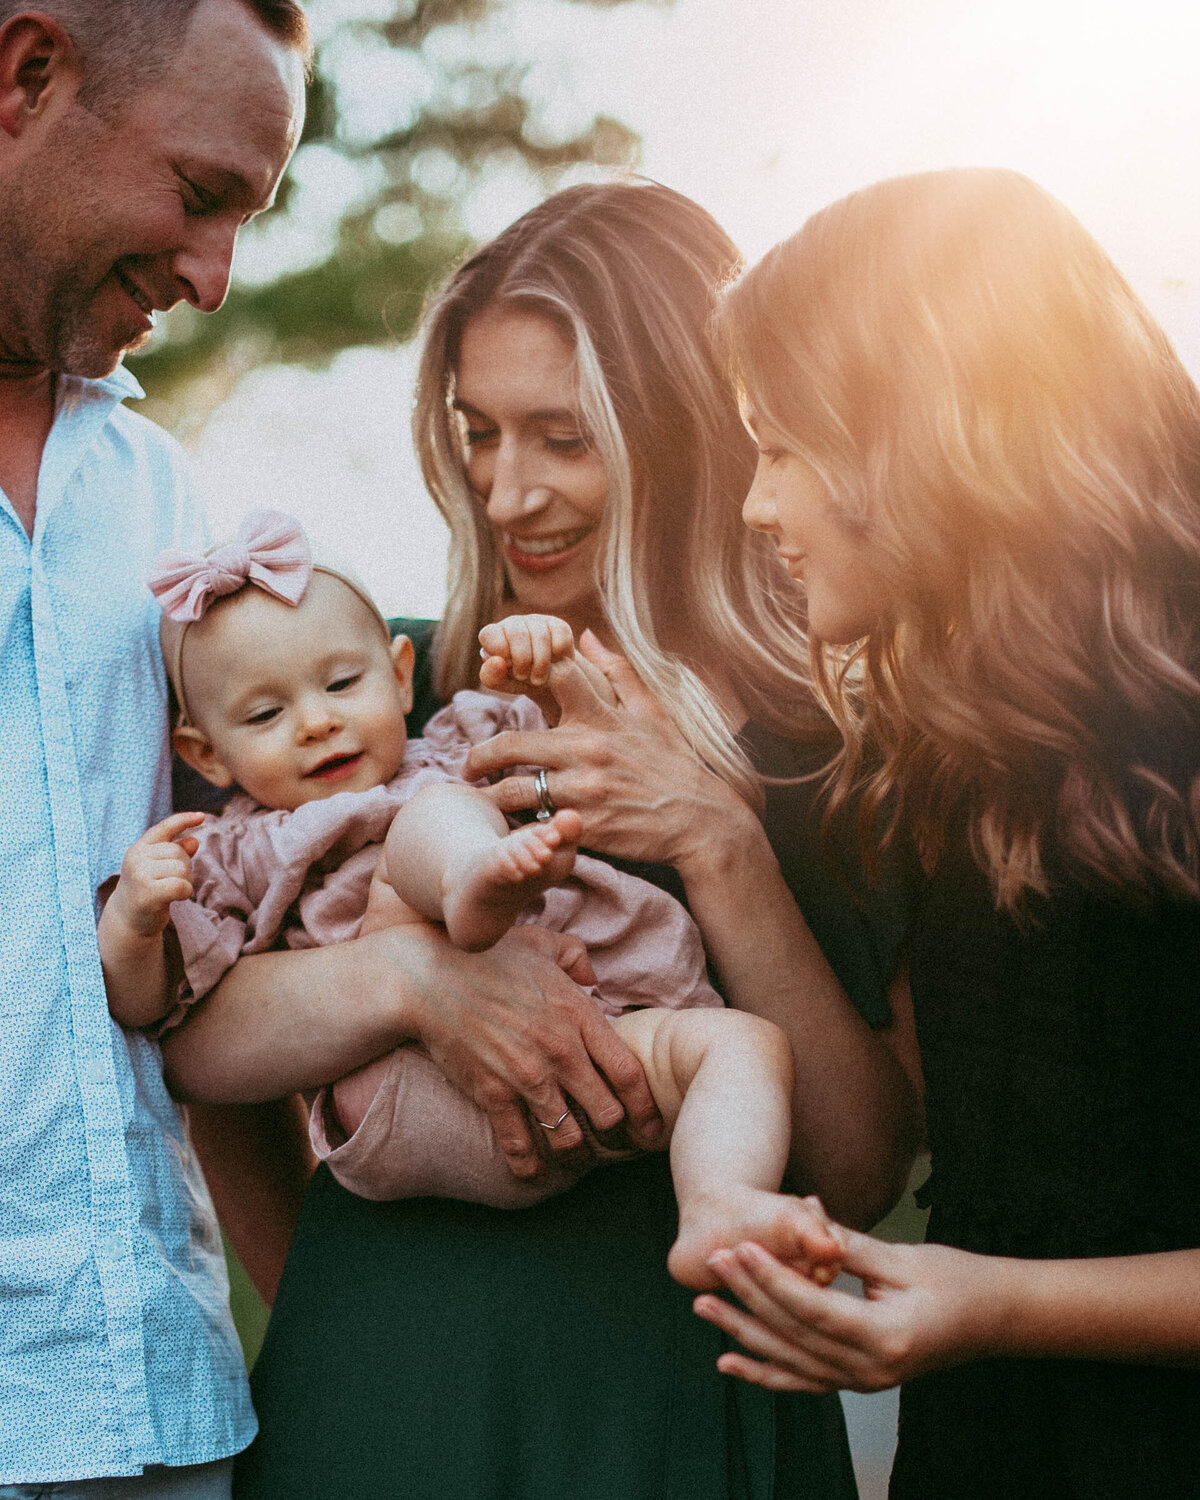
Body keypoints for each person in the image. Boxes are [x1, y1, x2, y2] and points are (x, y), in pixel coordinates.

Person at [155, 179, 923, 1499]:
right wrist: (362, 1297)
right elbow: (195, 1034)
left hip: (673, 1398)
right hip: (382, 1390)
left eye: (562, 436)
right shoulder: (378, 702)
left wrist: (719, 846)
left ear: (690, 426)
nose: (506, 492)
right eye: (478, 434)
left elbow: (855, 1169)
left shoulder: (837, 746)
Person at [695, 167, 1200, 1498]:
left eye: (786, 444)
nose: (759, 506)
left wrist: (987, 1307)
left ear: (930, 428)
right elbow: (931, 1144)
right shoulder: (941, 756)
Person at [102, 511, 844, 1288]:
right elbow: (155, 1006)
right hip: (405, 1096)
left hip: (598, 1074)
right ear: (204, 753)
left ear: (398, 673)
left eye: (342, 683)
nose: (317, 721)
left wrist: (541, 655)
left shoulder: (466, 747)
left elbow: (580, 733)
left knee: (742, 1044)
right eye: (264, 714)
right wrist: (134, 923)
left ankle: (721, 1209)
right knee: (428, 822)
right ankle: (468, 886)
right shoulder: (234, 850)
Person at [0, 0, 308, 1494]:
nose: (211, 278)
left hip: (159, 1409)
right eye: (202, 196)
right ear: (26, 75)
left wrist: (319, 1336)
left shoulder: (162, 501)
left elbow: (212, 974)